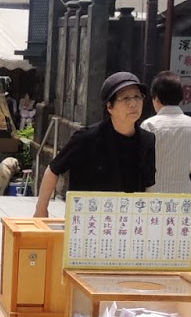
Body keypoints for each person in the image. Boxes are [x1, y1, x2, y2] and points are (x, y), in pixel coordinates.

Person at [34, 72, 156, 217]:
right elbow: (53, 170)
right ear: (110, 106)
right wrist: (41, 210)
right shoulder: (87, 138)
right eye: (125, 98)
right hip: (88, 222)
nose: (133, 104)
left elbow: (148, 186)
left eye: (137, 96)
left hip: (128, 224)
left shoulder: (147, 140)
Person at [141, 71, 191, 194]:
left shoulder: (149, 125)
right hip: (183, 194)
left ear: (156, 98)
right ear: (180, 97)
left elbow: (140, 165)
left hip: (153, 195)